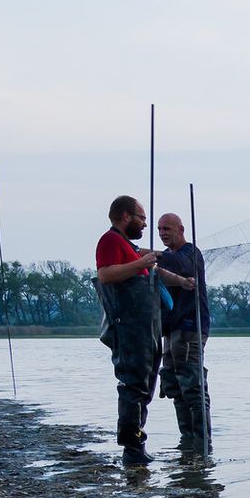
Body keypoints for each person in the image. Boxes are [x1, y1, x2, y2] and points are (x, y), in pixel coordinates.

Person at [94, 196, 162, 466]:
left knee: (144, 386)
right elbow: (106, 275)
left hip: (145, 329)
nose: (145, 223)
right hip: (128, 326)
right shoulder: (110, 240)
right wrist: (140, 263)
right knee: (133, 385)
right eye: (141, 217)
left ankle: (137, 444)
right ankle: (132, 449)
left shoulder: (127, 246)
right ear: (125, 215)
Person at [154, 212, 211, 456]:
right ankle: (187, 439)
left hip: (190, 328)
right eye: (159, 229)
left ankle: (201, 444)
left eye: (167, 228)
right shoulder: (167, 259)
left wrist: (152, 255)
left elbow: (180, 265)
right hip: (171, 330)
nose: (163, 233)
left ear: (181, 229)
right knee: (174, 385)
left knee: (193, 386)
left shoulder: (190, 253)